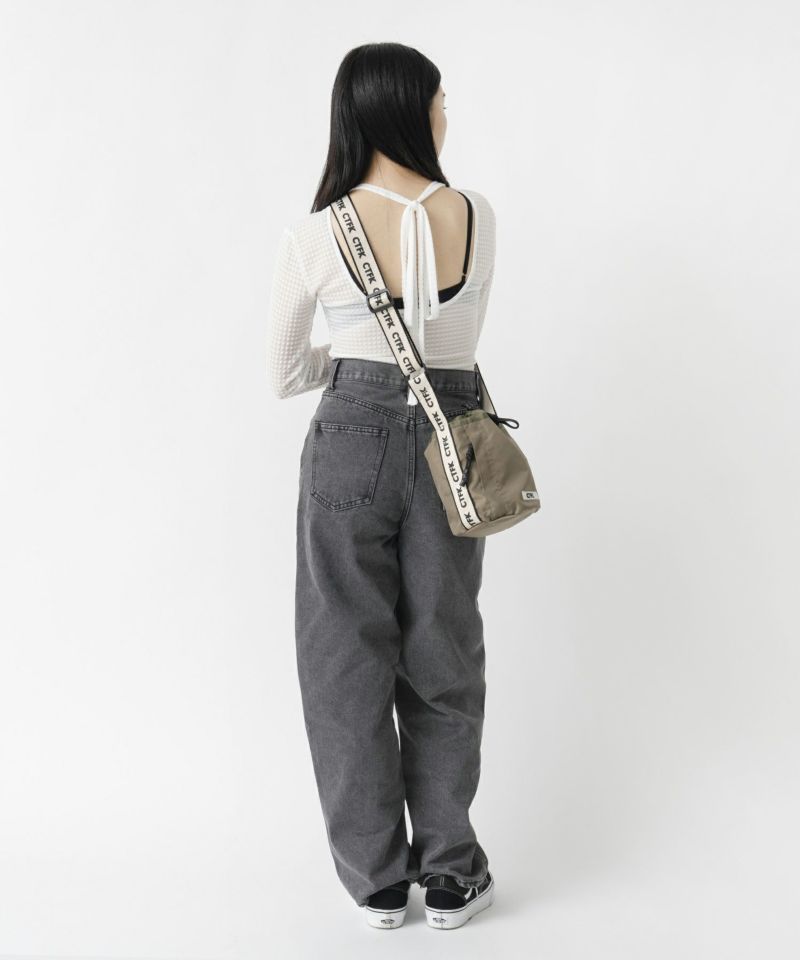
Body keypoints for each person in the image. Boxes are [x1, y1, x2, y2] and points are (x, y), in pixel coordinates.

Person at [266, 42, 496, 930]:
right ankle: (450, 872)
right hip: (452, 434)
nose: (447, 114)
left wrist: (358, 356)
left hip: (350, 436)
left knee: (342, 657)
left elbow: (285, 373)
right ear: (406, 109)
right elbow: (456, 339)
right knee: (444, 650)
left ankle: (376, 881)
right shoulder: (476, 215)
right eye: (440, 100)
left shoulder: (315, 233)